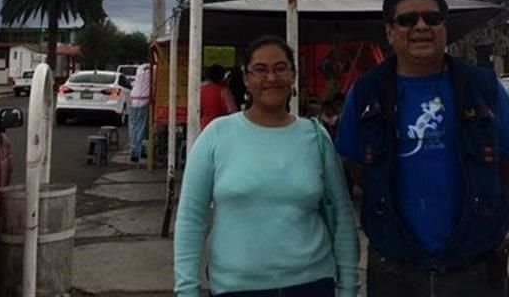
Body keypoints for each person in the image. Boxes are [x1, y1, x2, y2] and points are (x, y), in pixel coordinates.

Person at [335, 0, 509, 296]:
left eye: (432, 18)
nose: (422, 26)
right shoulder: (365, 93)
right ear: (389, 32)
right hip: (395, 268)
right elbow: (359, 171)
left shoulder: (484, 88)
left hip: (475, 267)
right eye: (407, 20)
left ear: (444, 28)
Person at [175, 36, 359, 297]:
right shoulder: (217, 135)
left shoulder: (316, 138)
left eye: (281, 68)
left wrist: (349, 285)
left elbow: (342, 215)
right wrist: (186, 289)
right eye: (260, 70)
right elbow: (190, 218)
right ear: (246, 79)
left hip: (312, 284)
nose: (271, 78)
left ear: (294, 75)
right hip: (236, 288)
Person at [199, 64, 238, 130]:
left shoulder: (199, 89)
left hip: (203, 127)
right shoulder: (224, 91)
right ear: (221, 76)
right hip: (220, 127)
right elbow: (233, 111)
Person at [127, 63, 151, 163]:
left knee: (133, 126)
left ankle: (135, 149)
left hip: (133, 100)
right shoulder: (153, 70)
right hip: (143, 100)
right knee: (141, 127)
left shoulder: (140, 69)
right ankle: (138, 151)